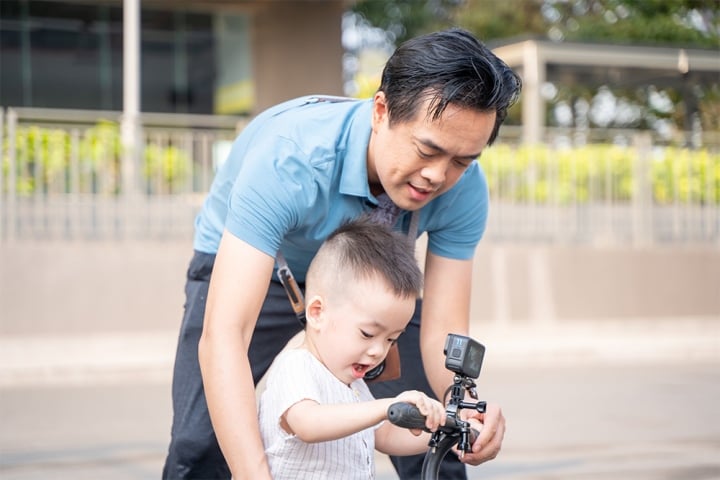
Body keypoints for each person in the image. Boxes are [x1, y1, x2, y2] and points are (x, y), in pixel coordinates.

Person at [162, 27, 521, 480]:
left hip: (374, 282)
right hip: (266, 267)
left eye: (462, 160)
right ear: (381, 111)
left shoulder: (464, 190)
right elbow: (226, 333)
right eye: (428, 150)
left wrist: (460, 407)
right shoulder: (290, 157)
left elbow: (442, 330)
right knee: (202, 444)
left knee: (433, 432)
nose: (437, 175)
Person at [258, 217, 447, 479]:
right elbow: (308, 423)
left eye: (392, 339)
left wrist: (444, 430)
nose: (378, 351)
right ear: (317, 313)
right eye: (367, 333)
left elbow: (387, 435)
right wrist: (388, 406)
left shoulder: (352, 385)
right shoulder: (297, 366)